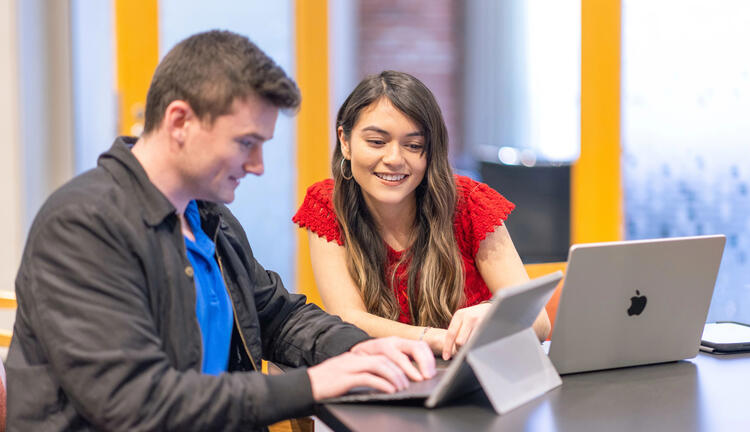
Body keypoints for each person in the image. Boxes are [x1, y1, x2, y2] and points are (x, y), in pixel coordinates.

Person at [6, 31, 434, 431]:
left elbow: (279, 318)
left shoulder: (209, 219)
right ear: (179, 122)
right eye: (246, 143)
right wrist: (314, 385)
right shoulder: (84, 226)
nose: (258, 166)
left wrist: (360, 350)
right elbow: (135, 402)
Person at [293, 71, 551, 361]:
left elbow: (539, 321)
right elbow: (349, 318)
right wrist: (436, 339)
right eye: (377, 142)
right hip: (389, 380)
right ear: (346, 141)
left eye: (413, 146)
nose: (393, 159)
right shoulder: (327, 204)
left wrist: (494, 314)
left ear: (431, 152)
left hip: (474, 380)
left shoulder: (470, 203)